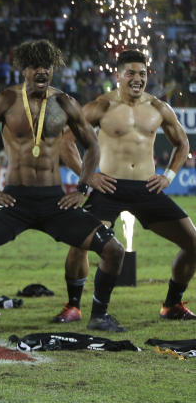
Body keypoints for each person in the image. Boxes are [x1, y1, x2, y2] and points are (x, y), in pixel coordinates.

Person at [0, 39, 126, 335]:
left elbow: (92, 145)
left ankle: (99, 316)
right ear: (23, 69)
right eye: (35, 66)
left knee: (114, 249)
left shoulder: (65, 102)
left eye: (47, 66)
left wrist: (82, 189)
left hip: (55, 203)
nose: (42, 72)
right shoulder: (5, 100)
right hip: (15, 201)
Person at [57, 49, 196, 322]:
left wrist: (168, 176)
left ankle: (172, 305)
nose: (137, 78)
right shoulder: (102, 106)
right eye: (131, 73)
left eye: (142, 73)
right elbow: (66, 140)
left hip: (148, 189)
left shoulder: (158, 107)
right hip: (109, 189)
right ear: (118, 75)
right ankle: (73, 305)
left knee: (194, 243)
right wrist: (89, 176)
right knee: (79, 244)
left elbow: (183, 144)